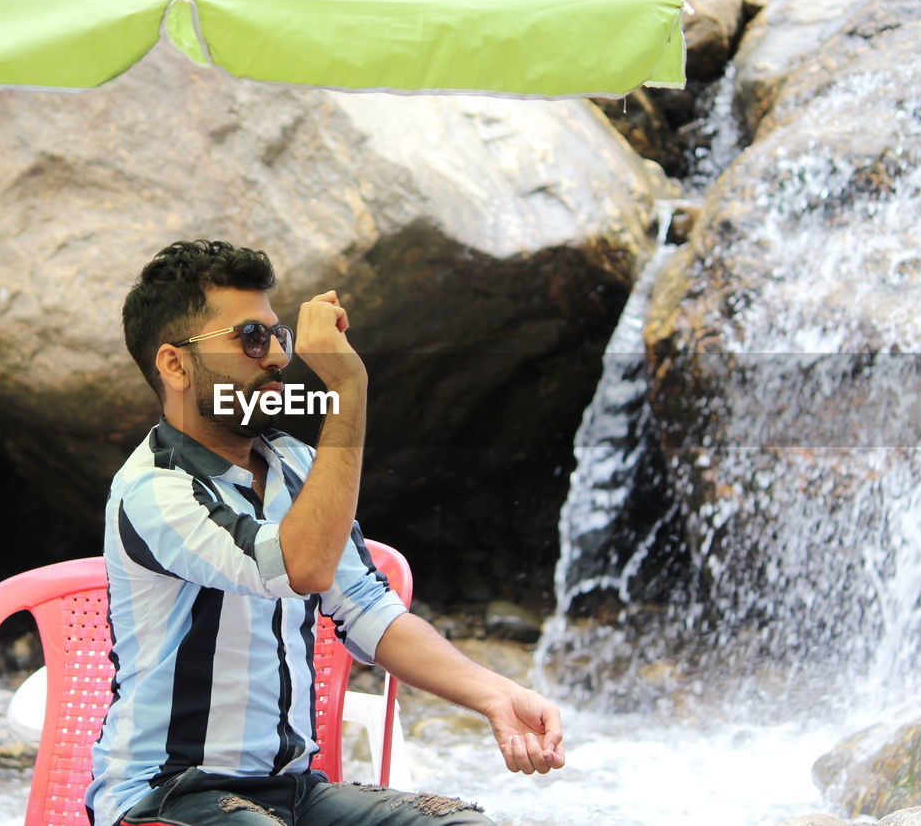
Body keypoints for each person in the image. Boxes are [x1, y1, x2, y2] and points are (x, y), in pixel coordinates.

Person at [86, 240, 565, 826]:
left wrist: (493, 694)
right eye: (250, 338)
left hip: (293, 794)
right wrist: (348, 387)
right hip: (165, 796)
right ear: (176, 364)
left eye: (277, 335)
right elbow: (300, 566)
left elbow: (366, 609)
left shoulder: (294, 465)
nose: (277, 359)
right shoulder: (155, 490)